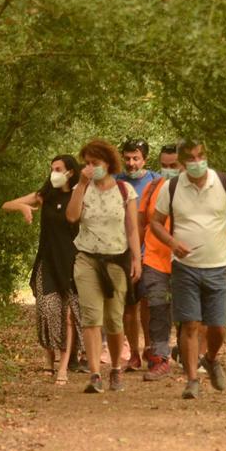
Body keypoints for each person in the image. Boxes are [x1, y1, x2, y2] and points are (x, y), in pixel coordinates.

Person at [150, 139, 226, 399]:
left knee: (217, 326)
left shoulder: (224, 182)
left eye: (201, 156)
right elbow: (155, 222)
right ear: (183, 163)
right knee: (189, 324)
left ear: (206, 156)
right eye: (191, 159)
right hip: (185, 268)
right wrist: (172, 243)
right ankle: (192, 379)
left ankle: (210, 358)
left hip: (218, 265)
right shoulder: (172, 187)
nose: (197, 162)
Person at [67, 139, 142, 394]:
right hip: (87, 259)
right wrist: (81, 185)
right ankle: (95, 374)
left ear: (108, 164)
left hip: (116, 260)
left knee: (114, 319)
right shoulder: (82, 187)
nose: (90, 167)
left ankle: (116, 370)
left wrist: (136, 259)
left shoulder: (124, 191)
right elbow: (72, 216)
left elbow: (132, 228)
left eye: (95, 163)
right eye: (86, 163)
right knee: (91, 317)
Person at [1, 155, 83, 385]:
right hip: (46, 260)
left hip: (71, 261)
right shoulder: (45, 195)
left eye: (58, 169)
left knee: (69, 315)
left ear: (70, 172)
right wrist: (23, 208)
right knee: (47, 310)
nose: (54, 172)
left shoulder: (79, 196)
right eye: (52, 168)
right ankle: (49, 358)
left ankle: (64, 366)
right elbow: (6, 204)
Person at [136, 144, 182, 381]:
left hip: (187, 259)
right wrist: (136, 255)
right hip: (154, 258)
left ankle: (186, 351)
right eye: (164, 166)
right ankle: (160, 358)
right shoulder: (153, 187)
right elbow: (140, 221)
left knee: (186, 310)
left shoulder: (194, 190)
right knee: (157, 307)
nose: (168, 170)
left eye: (173, 166)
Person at [116, 138, 160, 372]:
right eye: (128, 158)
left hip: (150, 252)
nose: (131, 163)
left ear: (145, 159)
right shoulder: (116, 181)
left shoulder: (156, 181)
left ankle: (150, 348)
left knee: (148, 304)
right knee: (129, 306)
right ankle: (133, 353)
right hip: (121, 252)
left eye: (136, 158)